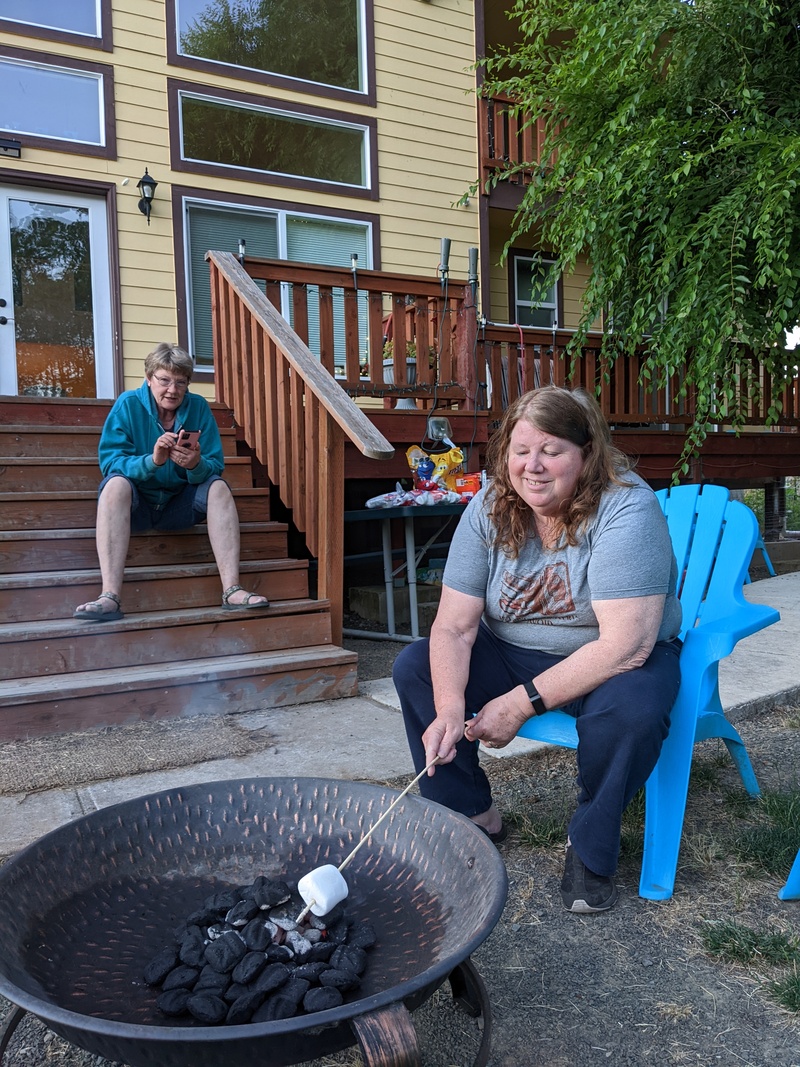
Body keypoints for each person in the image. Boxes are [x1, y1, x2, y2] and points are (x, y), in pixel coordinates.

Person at [393, 385, 683, 913]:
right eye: (522, 451)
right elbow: (455, 628)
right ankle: (471, 814)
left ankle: (589, 845)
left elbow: (626, 644)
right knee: (417, 668)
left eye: (552, 451)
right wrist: (451, 707)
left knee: (631, 711)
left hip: (611, 657)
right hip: (512, 649)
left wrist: (518, 703)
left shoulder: (626, 508)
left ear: (587, 454)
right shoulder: (489, 505)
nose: (534, 466)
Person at [73, 342, 269, 621]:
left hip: (178, 507)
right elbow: (110, 463)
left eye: (180, 382)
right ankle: (110, 597)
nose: (172, 390)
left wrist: (195, 465)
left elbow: (215, 465)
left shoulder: (199, 407)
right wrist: (152, 461)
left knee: (218, 488)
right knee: (115, 485)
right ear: (149, 378)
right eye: (164, 380)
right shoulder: (128, 405)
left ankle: (232, 590)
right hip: (137, 507)